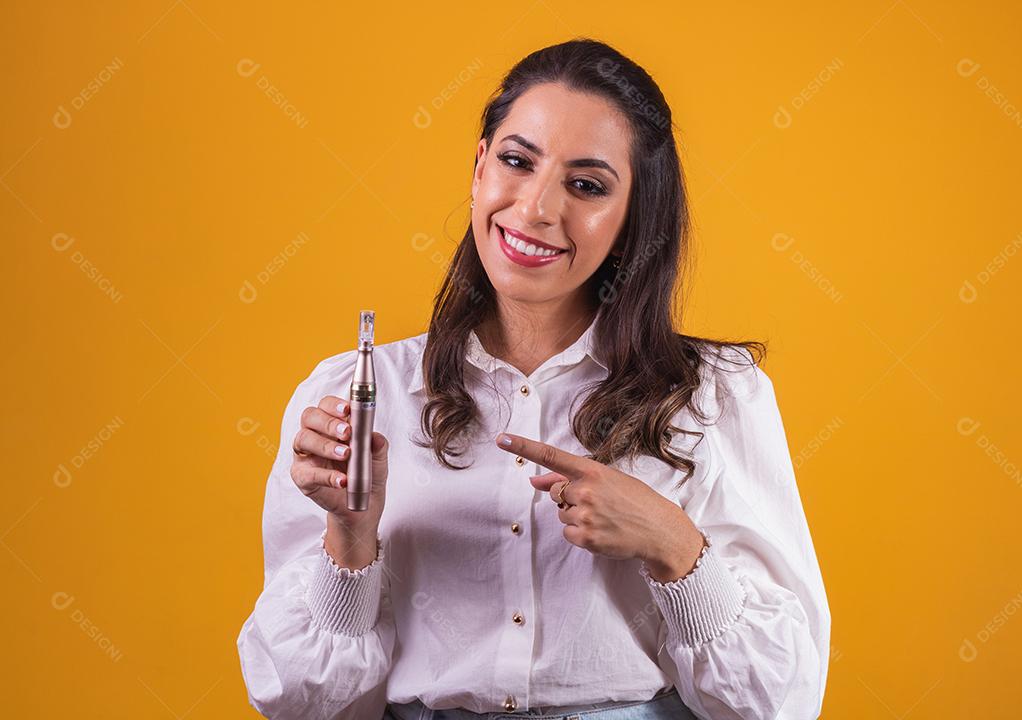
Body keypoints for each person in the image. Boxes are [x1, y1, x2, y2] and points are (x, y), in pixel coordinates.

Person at [236, 37, 831, 720]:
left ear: (632, 220)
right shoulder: (353, 394)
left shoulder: (715, 396)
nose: (536, 208)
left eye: (587, 185)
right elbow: (301, 706)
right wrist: (350, 538)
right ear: (478, 168)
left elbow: (780, 705)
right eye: (517, 162)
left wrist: (674, 544)